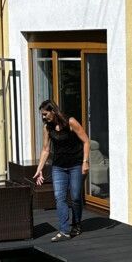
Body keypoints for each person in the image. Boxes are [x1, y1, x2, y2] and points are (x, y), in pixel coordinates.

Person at [33, 100, 88, 240]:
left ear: (53, 111)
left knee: (75, 197)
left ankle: (76, 224)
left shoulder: (70, 122)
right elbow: (46, 150)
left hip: (76, 165)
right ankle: (64, 230)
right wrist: (39, 169)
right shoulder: (47, 127)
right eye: (42, 115)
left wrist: (85, 162)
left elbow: (86, 141)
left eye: (45, 114)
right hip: (58, 167)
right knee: (59, 197)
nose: (43, 117)